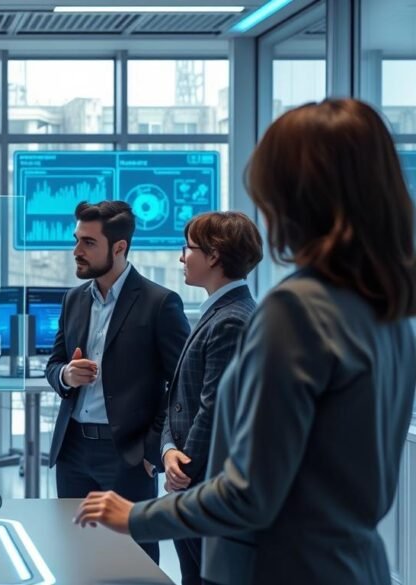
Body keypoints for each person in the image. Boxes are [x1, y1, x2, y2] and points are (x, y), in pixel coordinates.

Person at [76, 99, 416, 585]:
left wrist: (135, 516)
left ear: (299, 198)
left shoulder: (298, 311)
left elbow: (248, 494)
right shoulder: (389, 307)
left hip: (280, 568)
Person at [46, 200, 189, 563]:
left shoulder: (160, 303)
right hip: (73, 450)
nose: (76, 251)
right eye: (76, 240)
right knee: (76, 553)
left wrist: (152, 447)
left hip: (126, 454)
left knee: (132, 560)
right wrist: (66, 375)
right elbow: (54, 364)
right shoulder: (74, 299)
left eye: (88, 243)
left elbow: (182, 384)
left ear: (120, 247)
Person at [161, 211, 262, 585]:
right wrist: (168, 449)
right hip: (192, 481)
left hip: (203, 488)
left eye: (187, 248)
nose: (181, 257)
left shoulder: (232, 319)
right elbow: (179, 399)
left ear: (214, 255)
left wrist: (183, 468)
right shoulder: (218, 313)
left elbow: (213, 409)